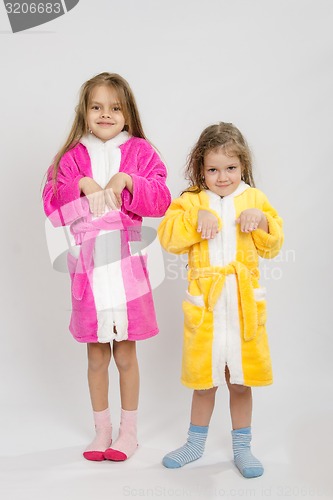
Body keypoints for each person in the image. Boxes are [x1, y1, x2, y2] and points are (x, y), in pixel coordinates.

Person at [43, 72, 171, 462]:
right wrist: (82, 183)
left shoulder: (141, 152)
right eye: (96, 106)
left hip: (126, 265)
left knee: (126, 353)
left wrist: (127, 179)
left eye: (114, 107)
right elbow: (52, 207)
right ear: (84, 112)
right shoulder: (71, 157)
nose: (105, 114)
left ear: (127, 113)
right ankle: (101, 430)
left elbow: (162, 200)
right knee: (96, 354)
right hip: (90, 268)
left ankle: (128, 432)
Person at [157, 122, 283, 478]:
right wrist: (196, 218)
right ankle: (195, 444)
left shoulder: (255, 200)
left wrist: (261, 223)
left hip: (243, 305)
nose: (222, 176)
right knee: (204, 380)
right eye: (212, 169)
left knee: (240, 381)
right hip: (207, 307)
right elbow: (168, 237)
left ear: (243, 166)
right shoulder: (190, 201)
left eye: (230, 168)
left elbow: (274, 244)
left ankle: (242, 448)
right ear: (200, 169)